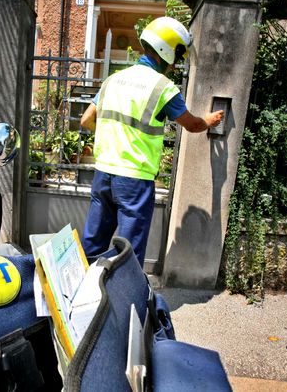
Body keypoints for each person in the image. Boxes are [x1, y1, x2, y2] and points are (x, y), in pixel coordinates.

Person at [80, 16, 224, 267]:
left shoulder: (113, 79)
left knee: (92, 245)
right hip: (134, 181)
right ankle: (127, 303)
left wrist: (115, 136)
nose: (176, 63)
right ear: (168, 50)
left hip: (103, 174)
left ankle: (79, 296)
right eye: (178, 55)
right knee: (129, 254)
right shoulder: (163, 87)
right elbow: (191, 124)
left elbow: (86, 120)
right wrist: (208, 121)